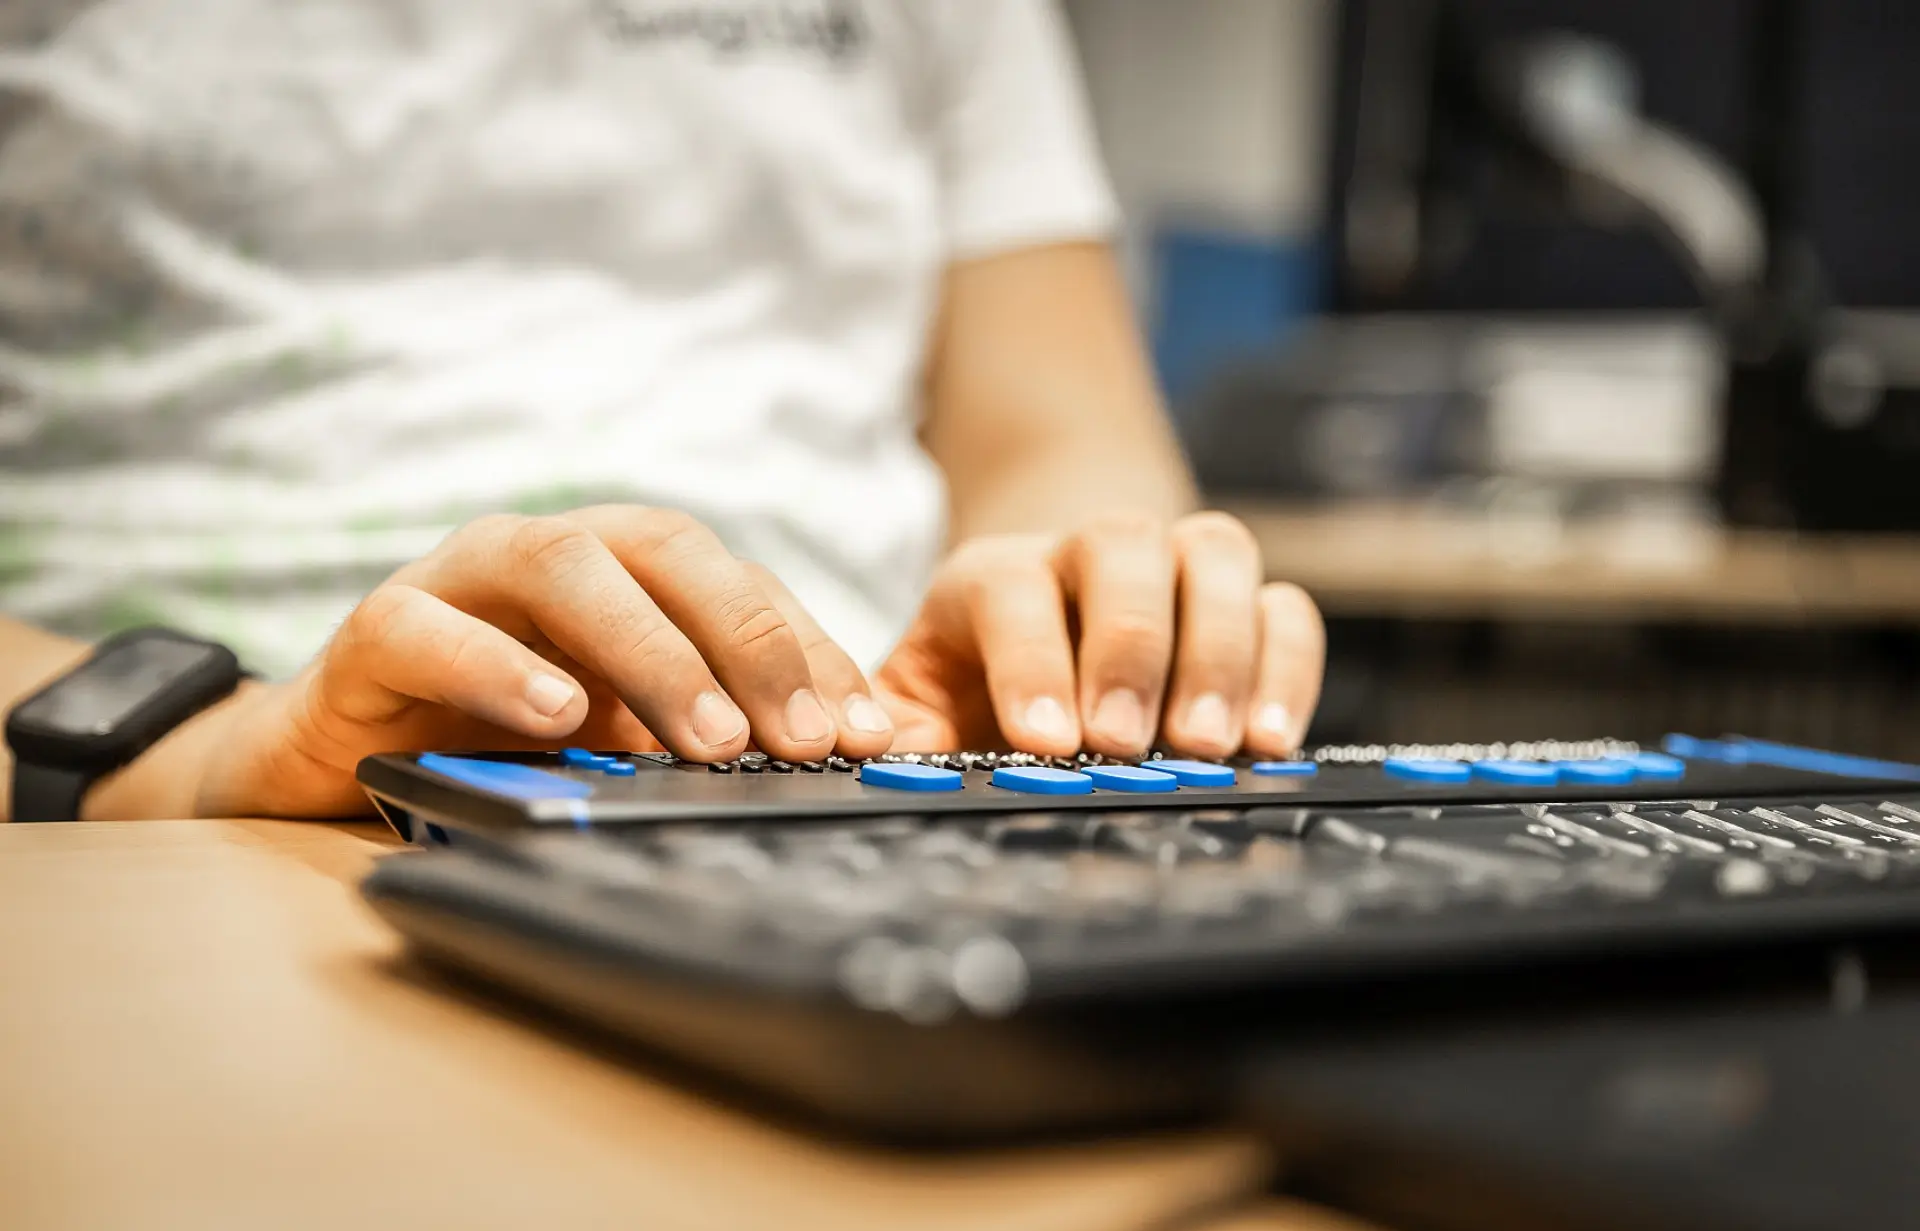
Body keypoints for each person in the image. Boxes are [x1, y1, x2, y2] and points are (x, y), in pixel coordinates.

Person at [0, 1, 1323, 822]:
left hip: (856, 796)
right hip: (170, 797)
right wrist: (186, 754)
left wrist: (1073, 638)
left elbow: (1056, 431)